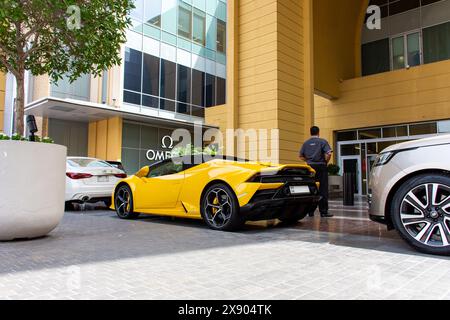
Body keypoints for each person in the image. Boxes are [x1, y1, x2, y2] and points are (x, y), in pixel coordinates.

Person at [300, 126, 334, 218]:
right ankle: (323, 212)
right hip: (321, 166)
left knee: (311, 189)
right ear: (318, 132)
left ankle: (310, 211)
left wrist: (308, 160)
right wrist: (325, 161)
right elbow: (329, 153)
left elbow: (301, 156)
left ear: (310, 132)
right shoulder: (323, 141)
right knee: (322, 189)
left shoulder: (306, 143)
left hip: (310, 168)